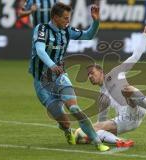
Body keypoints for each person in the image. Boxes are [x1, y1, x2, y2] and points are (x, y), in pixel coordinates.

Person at [29, 2, 109, 151]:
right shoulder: (41, 29)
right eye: (65, 18)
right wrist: (52, 65)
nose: (68, 21)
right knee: (65, 122)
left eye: (69, 17)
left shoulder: (67, 31)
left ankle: (98, 142)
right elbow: (40, 50)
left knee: (74, 109)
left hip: (60, 77)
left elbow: (89, 35)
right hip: (42, 83)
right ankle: (67, 131)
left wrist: (96, 21)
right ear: (55, 17)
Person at [75, 24, 146, 147]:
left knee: (127, 89)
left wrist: (145, 34)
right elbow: (101, 122)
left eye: (92, 73)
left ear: (101, 72)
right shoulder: (102, 97)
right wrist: (90, 133)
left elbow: (135, 56)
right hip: (126, 120)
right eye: (88, 75)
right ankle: (120, 142)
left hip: (137, 106)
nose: (90, 77)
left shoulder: (116, 73)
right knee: (91, 128)